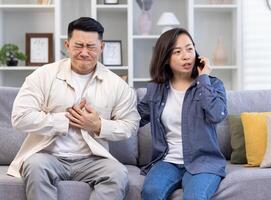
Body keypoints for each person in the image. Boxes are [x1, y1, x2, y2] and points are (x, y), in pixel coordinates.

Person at [7, 17, 140, 200]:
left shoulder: (117, 85)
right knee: (34, 166)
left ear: (101, 47)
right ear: (67, 45)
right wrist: (64, 120)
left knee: (117, 173)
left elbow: (130, 125)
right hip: (48, 156)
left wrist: (98, 125)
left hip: (92, 159)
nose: (84, 52)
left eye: (91, 47)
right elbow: (20, 117)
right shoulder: (43, 75)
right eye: (78, 45)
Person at [138, 28, 227, 200]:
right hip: (167, 161)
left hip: (203, 162)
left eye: (189, 49)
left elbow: (217, 115)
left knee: (195, 197)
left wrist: (203, 79)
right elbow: (135, 118)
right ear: (165, 58)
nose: (186, 56)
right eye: (177, 52)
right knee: (151, 192)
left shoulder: (212, 84)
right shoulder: (155, 90)